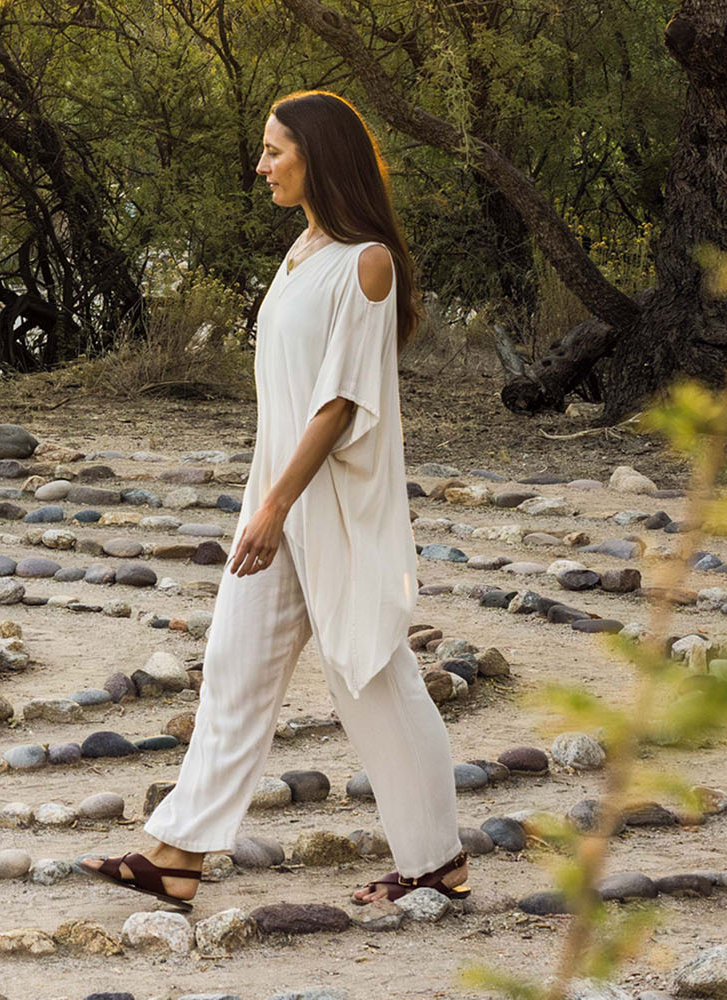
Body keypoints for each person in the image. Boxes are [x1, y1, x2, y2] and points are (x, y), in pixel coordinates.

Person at [80, 90, 469, 911]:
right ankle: (177, 854)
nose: (261, 166)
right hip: (279, 497)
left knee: (373, 675)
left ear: (318, 155)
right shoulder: (300, 251)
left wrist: (275, 508)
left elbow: (340, 404)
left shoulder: (366, 262)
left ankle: (436, 862)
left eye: (274, 151)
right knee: (234, 667)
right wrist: (266, 500)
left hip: (329, 507)